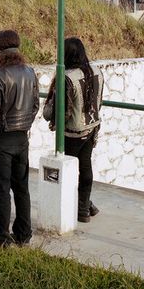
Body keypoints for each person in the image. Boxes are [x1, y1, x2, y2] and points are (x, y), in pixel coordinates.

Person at [0, 30, 40, 247]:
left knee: (1, 191)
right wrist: (24, 126)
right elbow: (35, 105)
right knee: (21, 188)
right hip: (22, 138)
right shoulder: (30, 72)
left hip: (1, 139)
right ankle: (23, 234)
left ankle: (0, 239)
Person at [43, 37, 104, 223]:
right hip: (92, 127)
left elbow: (58, 113)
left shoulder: (67, 78)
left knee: (67, 171)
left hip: (72, 132)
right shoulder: (96, 71)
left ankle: (75, 207)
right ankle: (84, 208)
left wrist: (48, 111)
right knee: (85, 167)